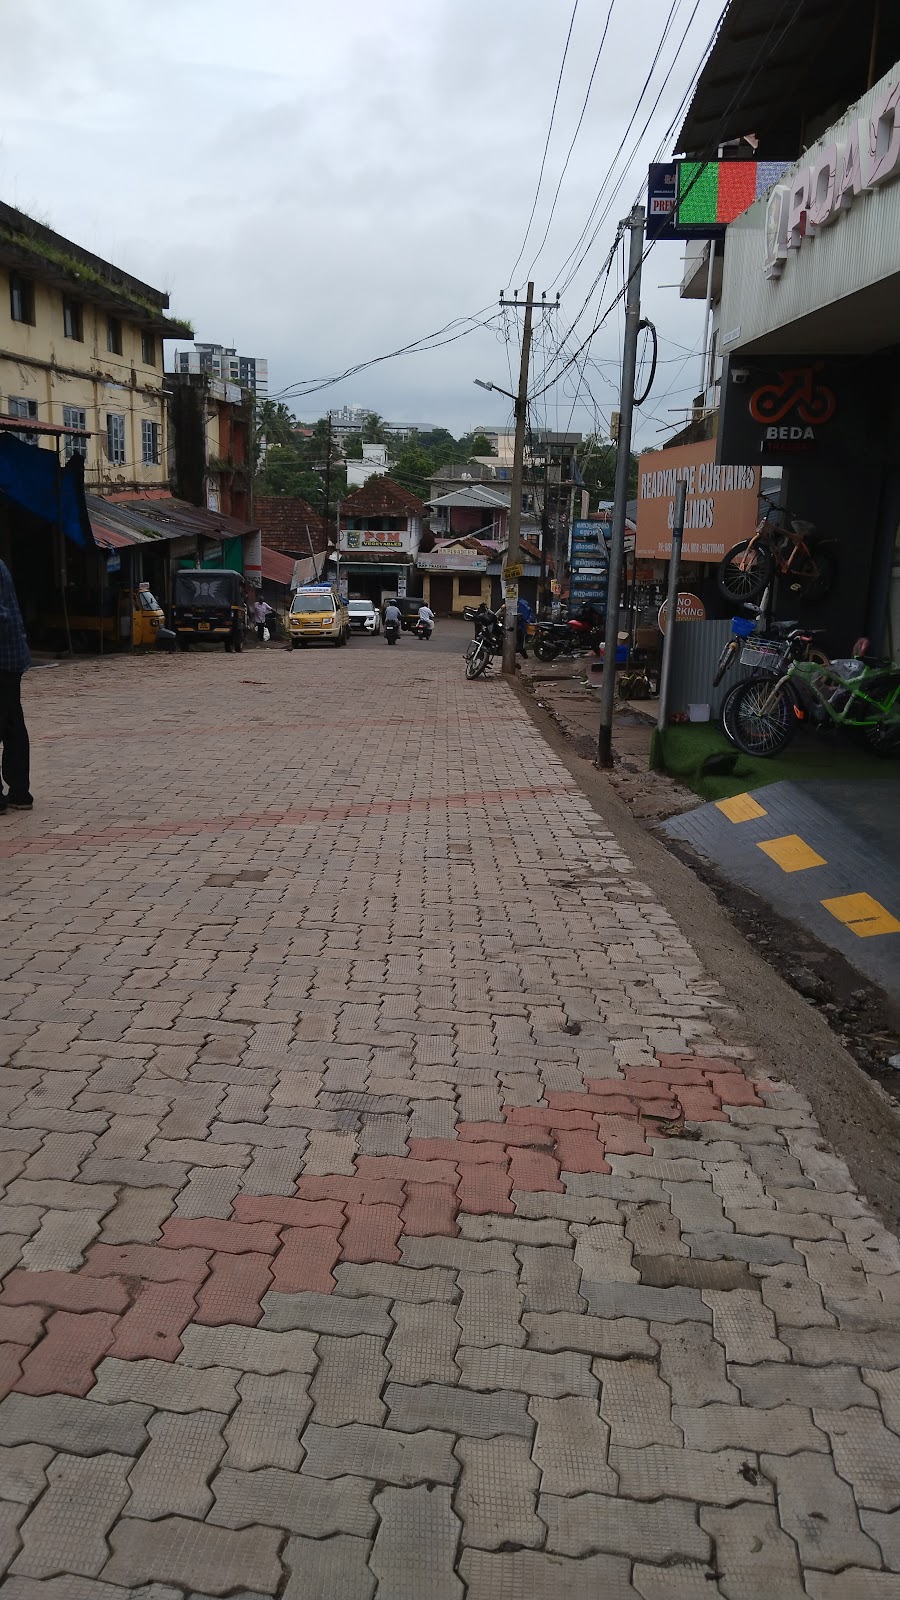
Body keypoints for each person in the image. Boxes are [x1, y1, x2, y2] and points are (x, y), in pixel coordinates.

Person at [0, 558, 33, 814]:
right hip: (11, 659)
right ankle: (20, 793)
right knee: (13, 726)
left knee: (10, 725)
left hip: (3, 660)